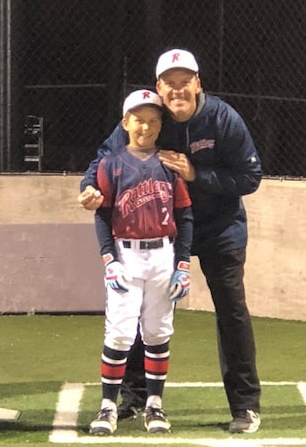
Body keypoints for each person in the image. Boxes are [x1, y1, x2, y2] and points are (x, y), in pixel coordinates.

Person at [78, 48, 263, 434]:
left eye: (185, 83)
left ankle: (245, 406)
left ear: (198, 84)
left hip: (219, 231)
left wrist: (197, 174)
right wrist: (90, 187)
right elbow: (105, 159)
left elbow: (249, 178)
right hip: (162, 235)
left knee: (232, 312)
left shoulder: (223, 118)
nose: (177, 91)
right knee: (143, 312)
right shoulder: (150, 117)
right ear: (159, 87)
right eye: (169, 84)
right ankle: (134, 398)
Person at [87, 89, 193, 437]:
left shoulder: (170, 164)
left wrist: (183, 263)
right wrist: (108, 259)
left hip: (163, 253)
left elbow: (184, 214)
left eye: (152, 121)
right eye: (138, 120)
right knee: (119, 332)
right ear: (125, 122)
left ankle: (154, 404)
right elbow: (102, 214)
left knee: (157, 332)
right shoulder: (111, 164)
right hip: (126, 254)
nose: (145, 127)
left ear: (160, 125)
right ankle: (107, 406)